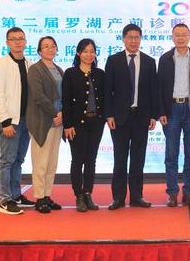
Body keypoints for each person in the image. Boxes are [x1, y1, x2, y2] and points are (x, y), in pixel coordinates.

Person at [105, 24, 159, 210]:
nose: (133, 41)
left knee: (138, 159)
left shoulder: (150, 62)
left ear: (140, 39)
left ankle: (137, 196)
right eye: (130, 37)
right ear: (123, 39)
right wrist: (109, 114)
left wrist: (153, 115)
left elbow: (153, 91)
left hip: (141, 117)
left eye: (137, 37)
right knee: (120, 159)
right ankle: (118, 198)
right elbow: (107, 90)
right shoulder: (113, 60)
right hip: (119, 118)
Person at [157, 24, 190, 208]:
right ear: (172, 37)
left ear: (189, 36)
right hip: (171, 110)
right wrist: (161, 112)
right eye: (177, 35)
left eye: (183, 34)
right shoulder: (165, 59)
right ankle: (172, 192)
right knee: (171, 154)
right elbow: (159, 88)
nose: (180, 38)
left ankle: (189, 191)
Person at [0, 27, 34, 215]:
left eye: (21, 39)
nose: (18, 42)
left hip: (26, 120)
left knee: (18, 159)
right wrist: (5, 121)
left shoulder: (30, 64)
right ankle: (5, 199)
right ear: (7, 42)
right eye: (13, 39)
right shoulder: (1, 65)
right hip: (10, 121)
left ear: (25, 42)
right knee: (6, 160)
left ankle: (16, 195)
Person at [62, 39, 106, 212]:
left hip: (96, 123)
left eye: (92, 51)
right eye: (85, 51)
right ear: (78, 53)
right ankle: (78, 195)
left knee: (91, 160)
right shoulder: (70, 73)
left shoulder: (100, 74)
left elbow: (105, 98)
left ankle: (88, 193)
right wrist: (67, 125)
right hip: (76, 124)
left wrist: (104, 119)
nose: (89, 55)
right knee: (77, 160)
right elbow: (66, 101)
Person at [26, 36, 65, 214]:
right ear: (39, 51)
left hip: (58, 122)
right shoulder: (35, 69)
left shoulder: (59, 69)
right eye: (46, 46)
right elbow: (38, 96)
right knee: (40, 162)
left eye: (53, 46)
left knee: (52, 162)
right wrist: (55, 113)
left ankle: (47, 195)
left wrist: (62, 114)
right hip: (43, 121)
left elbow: (64, 95)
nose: (50, 49)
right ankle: (39, 198)